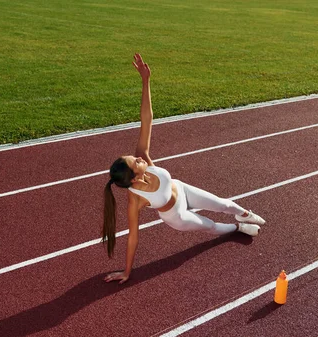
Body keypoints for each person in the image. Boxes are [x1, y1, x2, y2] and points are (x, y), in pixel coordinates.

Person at [103, 54, 266, 284]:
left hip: (182, 190)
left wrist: (145, 81)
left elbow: (146, 119)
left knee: (223, 203)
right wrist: (127, 272)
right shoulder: (135, 199)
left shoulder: (144, 158)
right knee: (210, 226)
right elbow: (132, 238)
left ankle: (245, 213)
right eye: (136, 162)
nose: (140, 158)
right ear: (134, 179)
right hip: (176, 216)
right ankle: (238, 227)